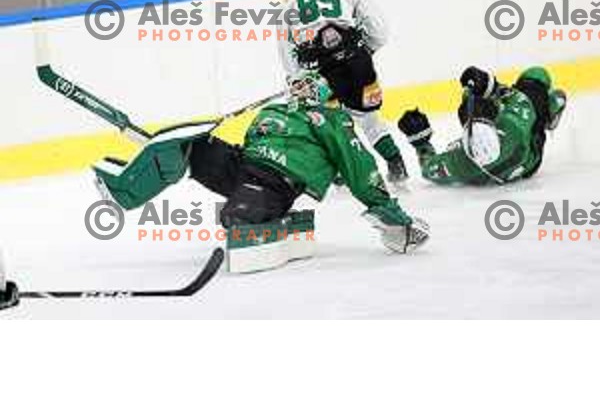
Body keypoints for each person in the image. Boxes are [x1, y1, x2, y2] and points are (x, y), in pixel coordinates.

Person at [94, 72, 429, 273]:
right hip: (243, 167)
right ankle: (125, 190)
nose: (299, 92)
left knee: (236, 218)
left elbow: (359, 167)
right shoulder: (273, 112)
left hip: (275, 183)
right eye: (296, 87)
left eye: (306, 88)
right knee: (190, 147)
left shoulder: (332, 119)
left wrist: (392, 216)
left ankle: (250, 212)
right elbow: (249, 145)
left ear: (322, 94)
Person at [277, 0, 407, 184]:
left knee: (331, 125)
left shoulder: (289, 2)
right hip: (359, 66)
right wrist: (363, 51)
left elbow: (287, 47)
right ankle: (396, 164)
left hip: (320, 74)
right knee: (369, 120)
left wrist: (296, 78)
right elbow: (379, 31)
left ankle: (341, 176)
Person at [397, 66, 567, 186]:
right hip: (529, 156)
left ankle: (549, 109)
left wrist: (421, 142)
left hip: (512, 165)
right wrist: (487, 84)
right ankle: (549, 112)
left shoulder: (461, 162)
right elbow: (516, 99)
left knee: (536, 97)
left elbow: (429, 169)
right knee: (537, 78)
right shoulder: (514, 120)